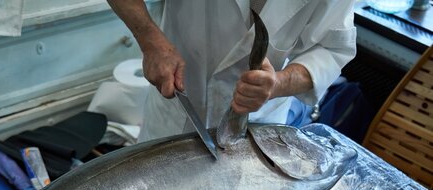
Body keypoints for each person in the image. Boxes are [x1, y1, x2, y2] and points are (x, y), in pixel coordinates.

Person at [107, 0, 357, 142]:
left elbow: (331, 48)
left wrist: (278, 83)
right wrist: (150, 40)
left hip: (257, 127)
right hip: (176, 111)